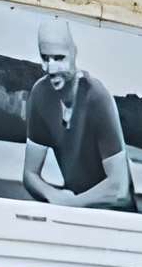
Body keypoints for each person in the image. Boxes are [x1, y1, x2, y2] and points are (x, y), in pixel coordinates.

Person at [20, 18, 133, 209]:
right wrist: (53, 195)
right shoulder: (40, 94)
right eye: (45, 58)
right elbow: (29, 174)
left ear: (74, 54)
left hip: (116, 217)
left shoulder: (97, 97)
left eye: (59, 58)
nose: (51, 68)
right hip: (74, 212)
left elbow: (119, 189)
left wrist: (72, 203)